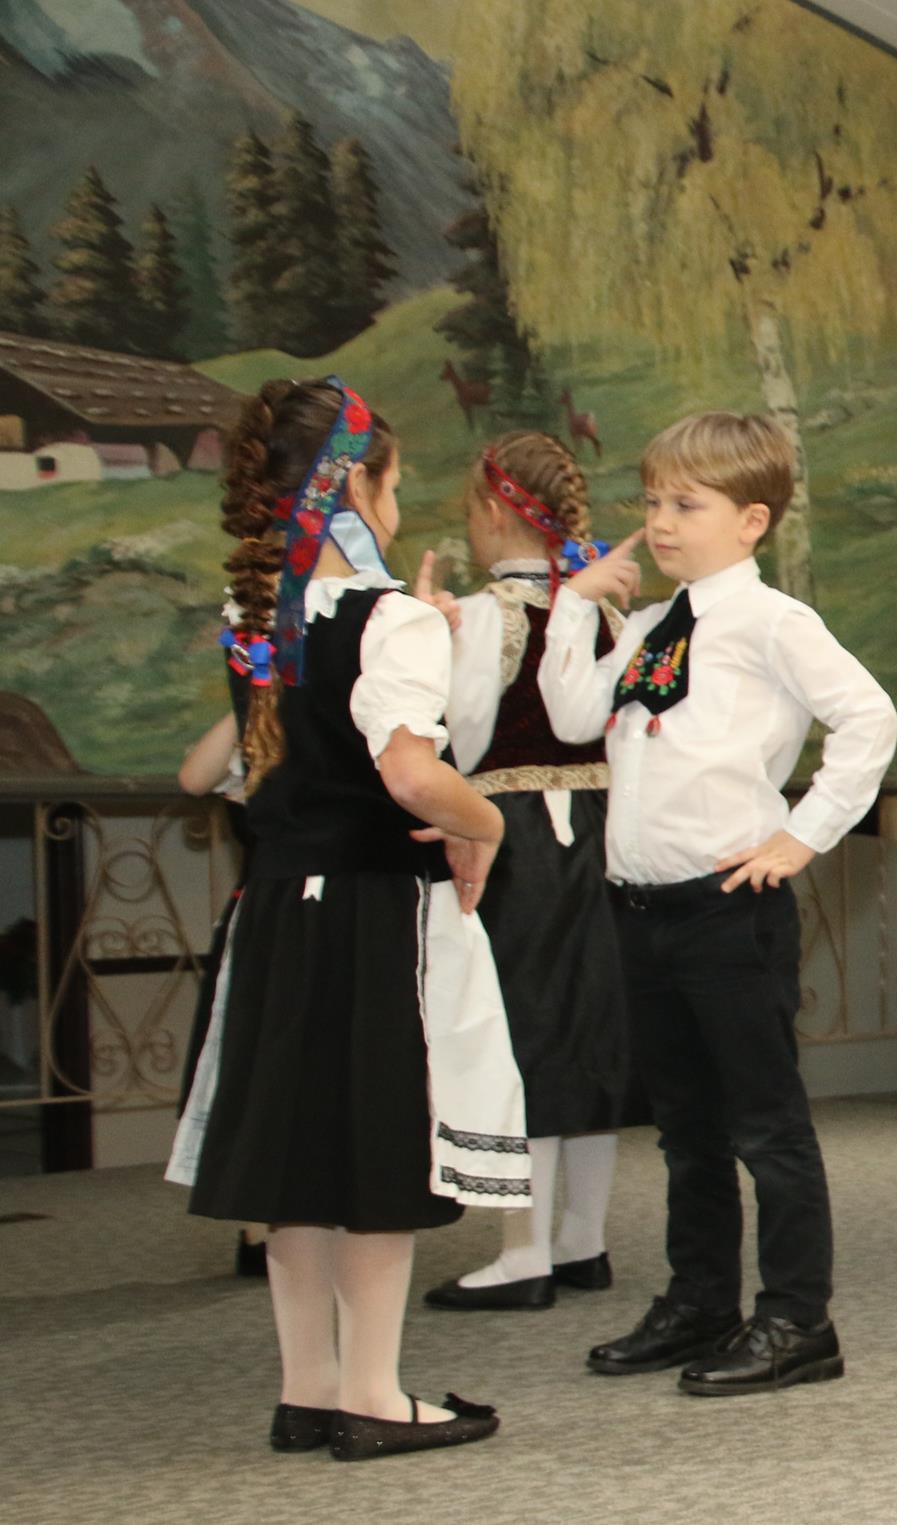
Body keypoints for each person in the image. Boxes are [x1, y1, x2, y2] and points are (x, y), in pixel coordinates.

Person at [165, 377, 530, 1458]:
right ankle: (372, 1390)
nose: (397, 502)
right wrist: (487, 823)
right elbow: (412, 776)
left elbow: (213, 771)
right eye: (394, 482)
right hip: (371, 911)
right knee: (374, 1148)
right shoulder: (389, 619)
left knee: (300, 1155)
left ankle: (308, 1387)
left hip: (277, 911)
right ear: (354, 489)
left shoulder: (259, 621)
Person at [539, 411, 897, 1397]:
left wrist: (801, 835)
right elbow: (572, 715)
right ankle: (701, 1299)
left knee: (764, 1126)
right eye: (652, 501)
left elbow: (868, 718)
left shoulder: (772, 622)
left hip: (726, 909)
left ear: (750, 521)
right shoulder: (653, 626)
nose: (659, 521)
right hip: (642, 911)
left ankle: (797, 1319)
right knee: (684, 1128)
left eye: (685, 505)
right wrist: (573, 605)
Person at [416, 432, 638, 1313]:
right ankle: (583, 1237)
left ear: (492, 511)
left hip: (515, 844)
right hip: (605, 832)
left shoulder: (485, 618)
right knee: (592, 1030)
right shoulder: (604, 615)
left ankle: (524, 1250)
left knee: (527, 1034)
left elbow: (465, 736)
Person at [175, 710, 269, 1276]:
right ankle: (257, 1230)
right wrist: (251, 696)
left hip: (349, 909)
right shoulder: (260, 725)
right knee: (251, 1065)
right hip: (265, 919)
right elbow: (194, 777)